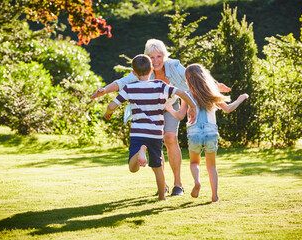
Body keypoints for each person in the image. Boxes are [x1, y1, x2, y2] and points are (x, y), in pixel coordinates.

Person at [92, 38, 230, 196]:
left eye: (159, 56)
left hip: (171, 105)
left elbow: (195, 76)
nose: (155, 60)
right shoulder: (143, 69)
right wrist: (104, 90)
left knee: (170, 137)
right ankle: (162, 184)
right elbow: (122, 82)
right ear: (147, 58)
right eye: (152, 57)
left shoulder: (174, 66)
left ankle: (178, 184)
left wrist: (214, 86)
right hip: (151, 109)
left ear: (164, 56)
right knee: (156, 142)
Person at [103, 54, 196, 200]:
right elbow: (182, 93)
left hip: (138, 133)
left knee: (133, 168)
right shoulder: (160, 85)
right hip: (155, 133)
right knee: (157, 166)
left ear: (133, 72)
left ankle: (141, 150)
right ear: (151, 69)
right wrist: (192, 106)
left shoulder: (129, 88)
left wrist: (108, 113)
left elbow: (112, 105)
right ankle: (162, 197)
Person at [165, 63, 249, 202]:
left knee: (194, 162)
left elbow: (180, 115)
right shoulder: (211, 93)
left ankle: (197, 182)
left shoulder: (186, 95)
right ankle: (214, 195)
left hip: (194, 132)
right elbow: (228, 109)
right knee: (212, 166)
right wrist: (240, 99)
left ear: (187, 80)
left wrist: (169, 109)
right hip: (211, 131)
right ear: (204, 76)